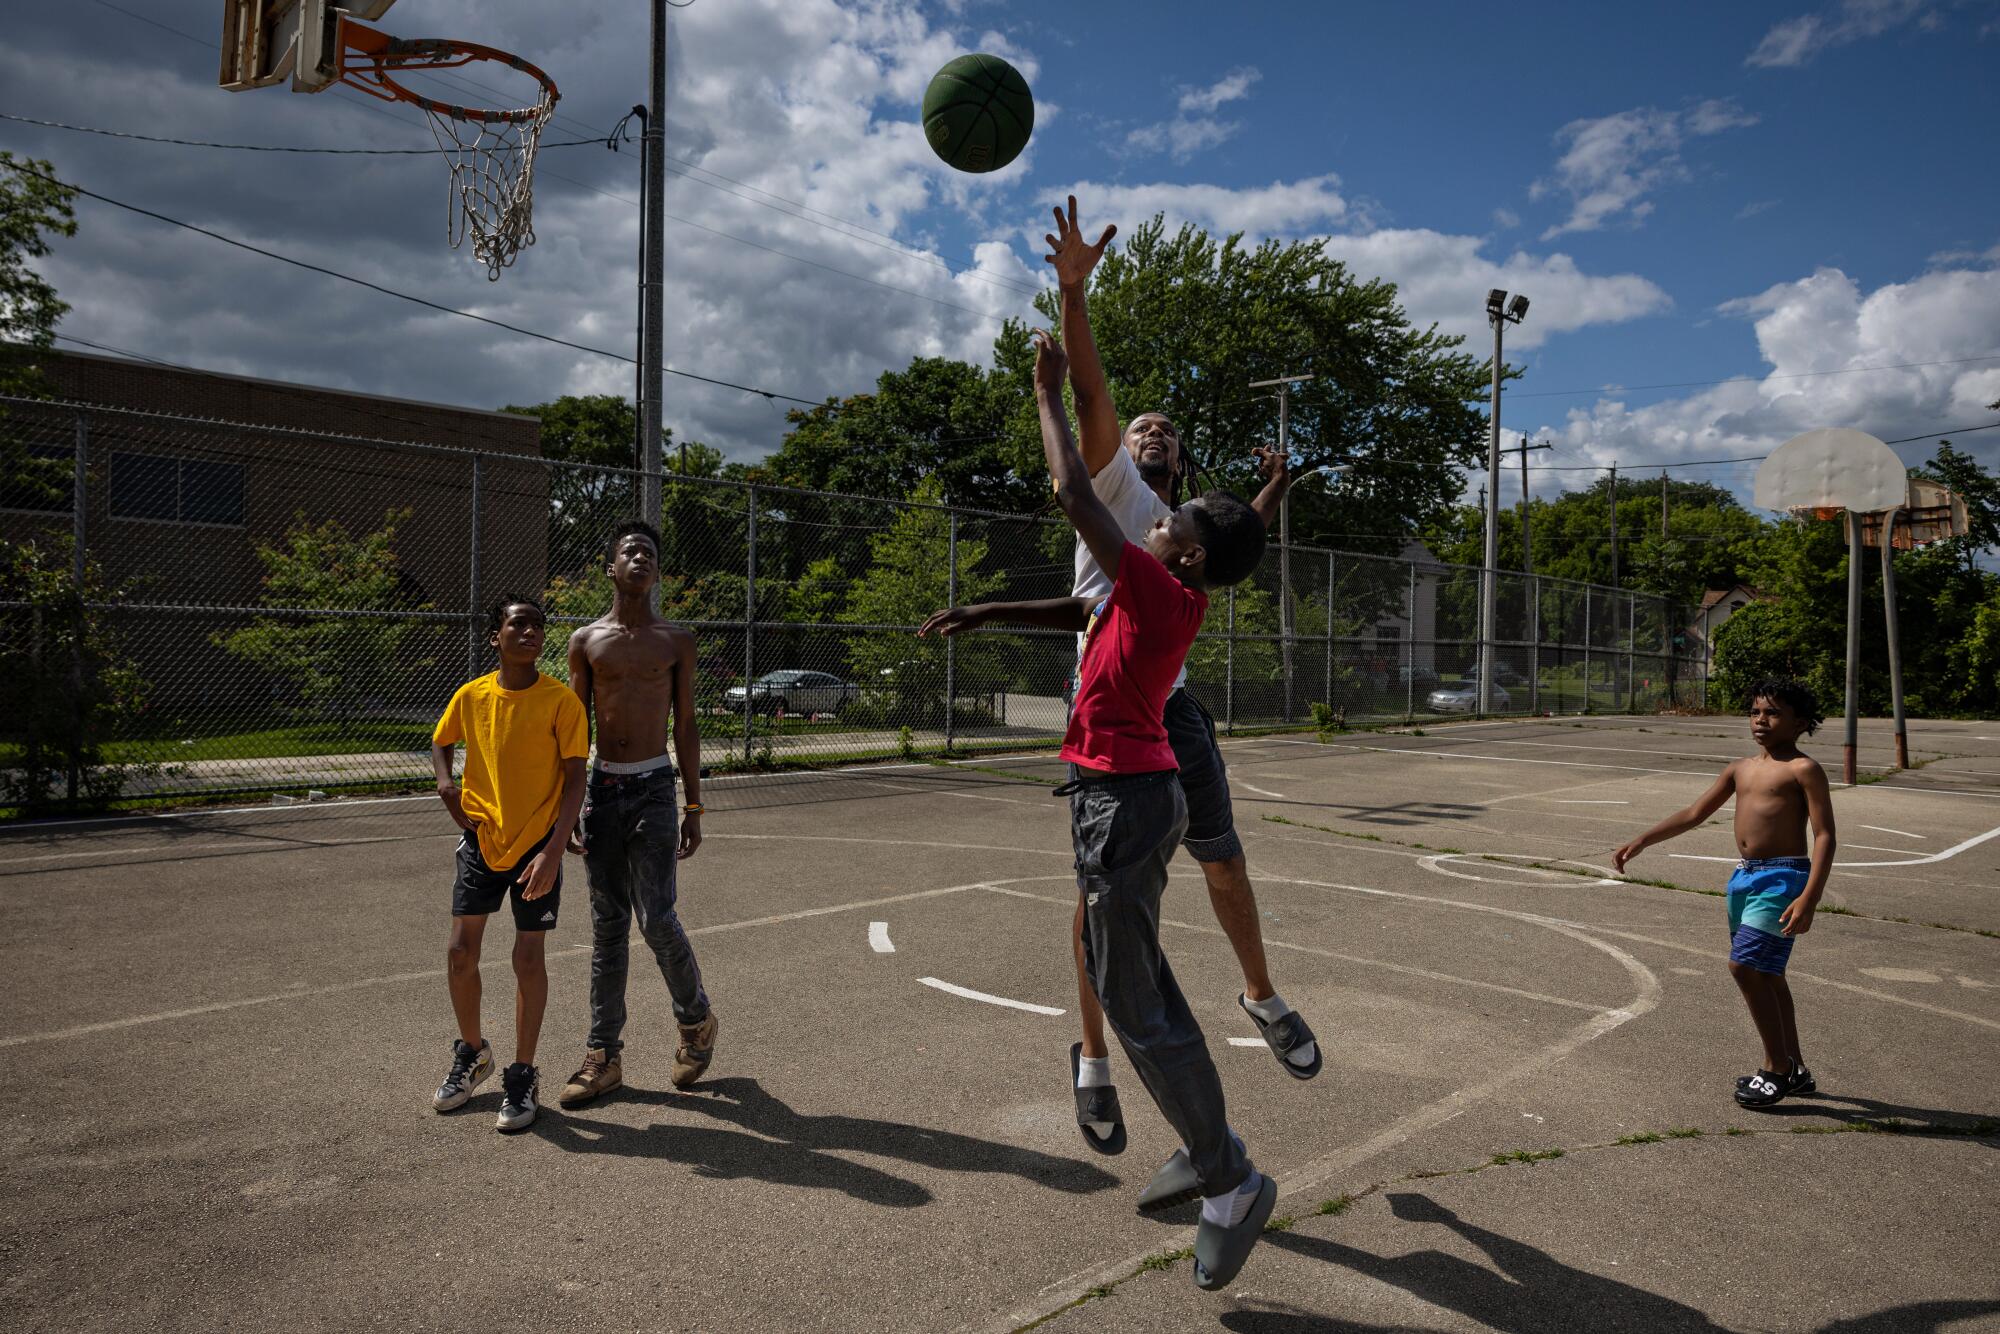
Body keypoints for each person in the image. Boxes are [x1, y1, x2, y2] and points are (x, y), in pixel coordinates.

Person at [997, 327, 1278, 1288]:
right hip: (1122, 794)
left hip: (1123, 800)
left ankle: (1229, 1175)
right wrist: (984, 614)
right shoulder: (1159, 585)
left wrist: (1046, 393)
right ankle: (1208, 1150)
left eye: (1172, 522)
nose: (1154, 520)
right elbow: (1078, 609)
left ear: (1187, 557)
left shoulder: (1158, 587)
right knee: (1141, 986)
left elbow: (1075, 492)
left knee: (1132, 997)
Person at [1043, 197, 1321, 1166]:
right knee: (1096, 908)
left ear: (1181, 460)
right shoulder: (1118, 488)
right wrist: (1074, 294)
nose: (1147, 430)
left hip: (1165, 713)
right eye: (1141, 423)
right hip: (1108, 717)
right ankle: (1091, 1056)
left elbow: (1229, 536)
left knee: (1223, 856)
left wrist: (1270, 492)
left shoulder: (1181, 529)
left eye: (1163, 425)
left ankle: (1259, 990)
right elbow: (1088, 400)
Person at [1612, 679, 1836, 1107]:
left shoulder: (1803, 770)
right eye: (1755, 712)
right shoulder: (1740, 769)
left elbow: (1825, 835)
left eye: (1772, 713)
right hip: (1744, 879)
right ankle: (1797, 1067)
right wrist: (1643, 840)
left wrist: (1810, 896)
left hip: (1783, 879)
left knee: (1744, 967)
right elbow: (1695, 813)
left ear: (1800, 722)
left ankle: (1776, 1068)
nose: (1760, 720)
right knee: (1768, 973)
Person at [557, 520, 716, 1107]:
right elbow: (575, 731)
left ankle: (695, 1024)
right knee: (607, 931)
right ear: (611, 567)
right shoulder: (585, 641)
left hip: (653, 786)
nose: (640, 558)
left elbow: (687, 725)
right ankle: (603, 1058)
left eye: (649, 552)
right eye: (630, 550)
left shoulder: (677, 639)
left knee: (658, 918)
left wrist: (693, 803)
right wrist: (567, 805)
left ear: (657, 571)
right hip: (602, 788)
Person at [429, 597, 588, 1133]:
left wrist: (552, 850)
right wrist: (447, 784)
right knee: (459, 951)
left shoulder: (561, 701)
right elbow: (441, 741)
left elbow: (575, 781)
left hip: (536, 846)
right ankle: (473, 1054)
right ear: (495, 636)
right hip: (481, 840)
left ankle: (521, 1074)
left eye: (538, 626)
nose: (530, 632)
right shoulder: (472, 695)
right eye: (518, 623)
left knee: (526, 957)